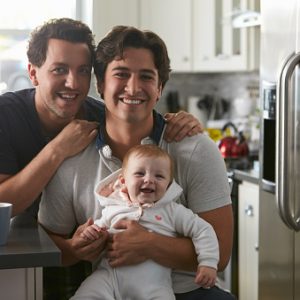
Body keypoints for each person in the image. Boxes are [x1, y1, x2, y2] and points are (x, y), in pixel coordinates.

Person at [0, 18, 203, 300]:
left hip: (96, 257)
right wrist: (56, 150)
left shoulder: (97, 114)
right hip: (21, 250)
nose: (72, 82)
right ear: (33, 73)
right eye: (60, 69)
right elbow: (2, 205)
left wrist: (178, 121)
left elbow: (141, 120)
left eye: (82, 70)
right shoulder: (5, 115)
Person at [38, 25, 235, 300]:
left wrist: (149, 245)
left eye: (146, 76)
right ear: (100, 85)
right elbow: (47, 245)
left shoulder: (196, 150)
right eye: (121, 74)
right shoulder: (71, 156)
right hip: (112, 290)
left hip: (190, 293)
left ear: (160, 88)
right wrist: (74, 248)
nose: (133, 87)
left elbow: (221, 252)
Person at [71, 144, 219, 299]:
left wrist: (208, 263)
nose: (149, 180)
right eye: (140, 173)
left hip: (153, 286)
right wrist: (90, 233)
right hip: (108, 278)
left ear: (168, 185)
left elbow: (203, 230)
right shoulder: (113, 206)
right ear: (123, 181)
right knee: (86, 293)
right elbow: (98, 229)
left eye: (159, 176)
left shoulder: (172, 211)